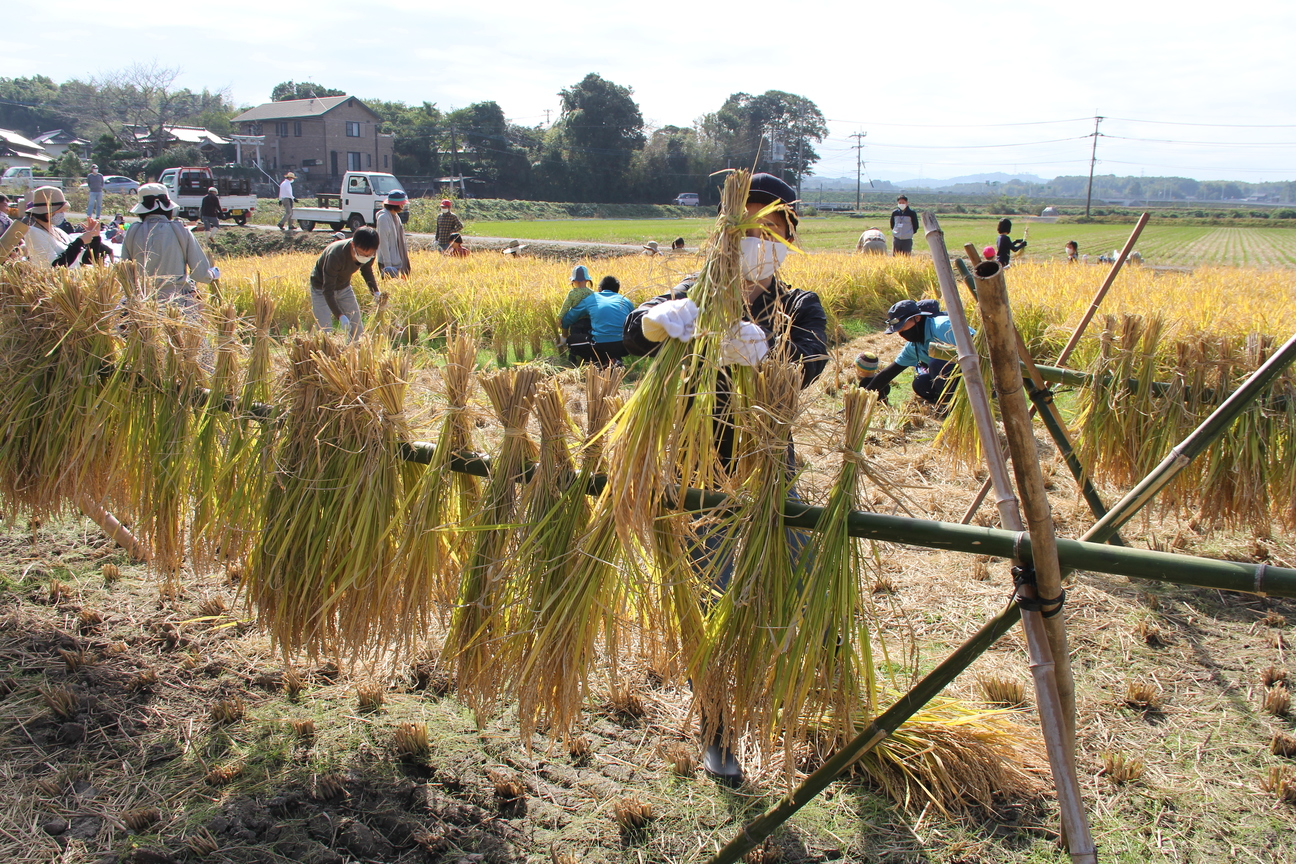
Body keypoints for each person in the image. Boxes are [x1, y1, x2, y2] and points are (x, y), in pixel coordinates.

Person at [622, 172, 827, 786]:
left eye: (773, 230)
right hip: (699, 473)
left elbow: (812, 358)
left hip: (767, 472)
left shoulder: (797, 305)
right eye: (747, 228)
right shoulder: (695, 290)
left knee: (797, 587)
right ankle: (717, 730)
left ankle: (810, 705)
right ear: (724, 234)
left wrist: (765, 352)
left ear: (789, 236)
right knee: (712, 599)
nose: (759, 241)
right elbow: (634, 332)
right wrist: (658, 321)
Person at [122, 183, 217, 316]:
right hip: (177, 305)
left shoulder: (132, 231)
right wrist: (213, 274)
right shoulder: (180, 230)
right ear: (168, 208)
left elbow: (124, 272)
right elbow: (200, 274)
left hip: (141, 305)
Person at [861, 298, 972, 407]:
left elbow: (979, 349)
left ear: (917, 318)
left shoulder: (943, 327)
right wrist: (863, 396)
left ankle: (955, 406)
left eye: (903, 326)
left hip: (974, 374)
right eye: (898, 330)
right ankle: (946, 404)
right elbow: (890, 372)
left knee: (936, 361)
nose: (902, 332)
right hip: (954, 381)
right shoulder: (914, 345)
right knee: (920, 383)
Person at [309, 226, 381, 342]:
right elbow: (327, 291)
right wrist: (340, 316)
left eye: (369, 254)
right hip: (321, 287)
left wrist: (376, 292)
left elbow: (366, 270)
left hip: (344, 287)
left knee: (357, 328)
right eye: (361, 253)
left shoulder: (370, 254)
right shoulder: (335, 255)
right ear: (353, 245)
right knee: (324, 330)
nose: (365, 257)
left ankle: (354, 356)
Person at [21, 186, 111, 268]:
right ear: (47, 212)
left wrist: (94, 237)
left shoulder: (59, 232)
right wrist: (80, 242)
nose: (62, 215)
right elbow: (55, 266)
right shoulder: (33, 233)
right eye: (60, 211)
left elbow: (87, 259)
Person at [562, 275, 634, 366]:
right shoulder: (626, 301)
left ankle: (600, 361)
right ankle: (613, 360)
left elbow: (570, 316)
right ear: (617, 290)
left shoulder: (592, 298)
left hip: (601, 346)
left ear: (599, 289)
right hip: (624, 347)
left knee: (571, 341)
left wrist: (563, 332)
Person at [557, 264, 595, 352]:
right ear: (587, 280)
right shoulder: (592, 293)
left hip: (575, 321)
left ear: (573, 281)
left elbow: (565, 307)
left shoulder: (572, 293)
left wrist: (560, 318)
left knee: (574, 341)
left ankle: (564, 338)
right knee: (587, 340)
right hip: (589, 321)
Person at [375, 190, 411, 278]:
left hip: (397, 260)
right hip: (388, 262)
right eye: (402, 203)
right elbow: (383, 242)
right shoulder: (383, 218)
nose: (403, 206)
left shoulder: (395, 216)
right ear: (395, 204)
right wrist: (388, 266)